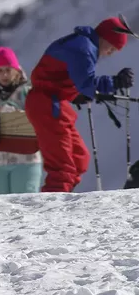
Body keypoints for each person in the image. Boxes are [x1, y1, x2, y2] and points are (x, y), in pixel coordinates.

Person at [25, 17, 134, 193]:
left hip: (55, 102)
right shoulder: (83, 48)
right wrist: (114, 82)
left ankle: (62, 198)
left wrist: (75, 94)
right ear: (105, 38)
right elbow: (87, 84)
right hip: (46, 105)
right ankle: (51, 210)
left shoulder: (83, 44)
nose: (110, 53)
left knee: (78, 158)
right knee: (63, 167)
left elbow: (61, 76)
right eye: (112, 48)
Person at [0, 47, 42, 194]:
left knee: (26, 206)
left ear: (16, 70)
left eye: (8, 70)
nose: (4, 75)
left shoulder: (29, 92)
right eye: (0, 71)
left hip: (26, 158)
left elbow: (40, 118)